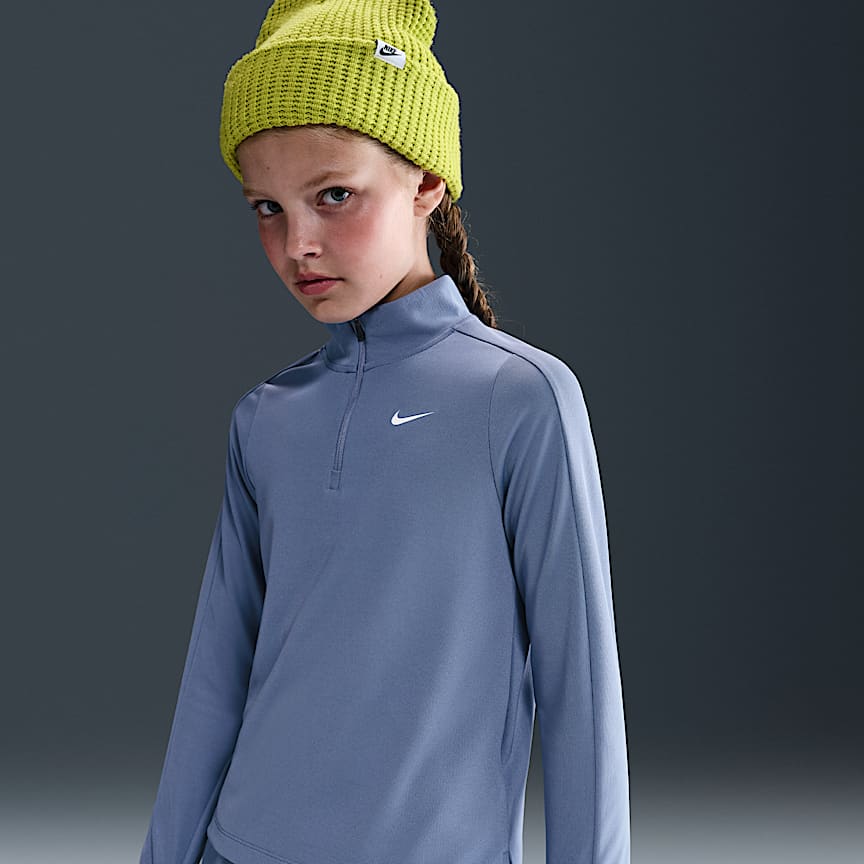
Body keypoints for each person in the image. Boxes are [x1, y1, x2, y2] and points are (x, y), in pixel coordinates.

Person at [138, 1, 631, 863]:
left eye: (334, 196)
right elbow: (214, 684)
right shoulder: (266, 418)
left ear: (427, 184)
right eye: (267, 207)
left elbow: (581, 697)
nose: (298, 243)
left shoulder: (520, 399)